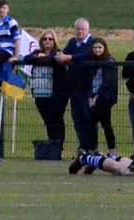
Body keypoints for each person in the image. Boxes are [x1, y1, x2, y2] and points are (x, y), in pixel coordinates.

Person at [22, 31, 69, 150]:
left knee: (56, 120)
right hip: (40, 93)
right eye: (45, 39)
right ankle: (52, 145)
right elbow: (26, 59)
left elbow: (53, 60)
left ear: (54, 41)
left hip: (57, 94)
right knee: (47, 120)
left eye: (50, 39)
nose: (47, 41)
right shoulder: (37, 52)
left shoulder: (58, 53)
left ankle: (58, 146)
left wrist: (42, 58)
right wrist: (36, 57)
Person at [58, 18, 97, 154]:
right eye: (78, 29)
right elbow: (65, 54)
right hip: (74, 88)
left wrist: (70, 58)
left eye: (82, 29)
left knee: (89, 118)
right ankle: (83, 146)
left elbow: (88, 56)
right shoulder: (72, 43)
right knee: (77, 118)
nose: (80, 31)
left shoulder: (93, 43)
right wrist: (61, 56)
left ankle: (92, 147)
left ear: (88, 30)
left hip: (88, 88)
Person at [82, 36, 120, 154]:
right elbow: (89, 81)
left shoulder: (109, 61)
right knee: (91, 123)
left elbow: (107, 81)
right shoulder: (92, 62)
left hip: (105, 97)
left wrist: (97, 96)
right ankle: (94, 149)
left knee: (105, 123)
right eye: (95, 48)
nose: (97, 50)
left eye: (99, 47)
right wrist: (90, 95)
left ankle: (112, 150)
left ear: (104, 48)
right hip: (94, 95)